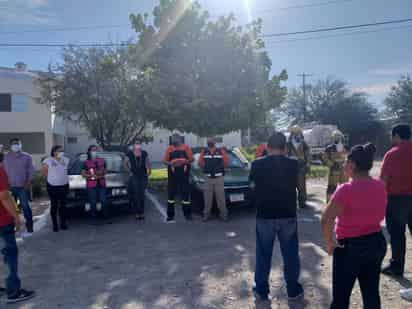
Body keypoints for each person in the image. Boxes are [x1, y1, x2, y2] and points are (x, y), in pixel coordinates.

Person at [321, 143, 387, 309]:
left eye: (345, 162)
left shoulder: (346, 189)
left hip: (350, 248)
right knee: (371, 293)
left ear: (352, 165)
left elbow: (326, 219)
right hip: (376, 242)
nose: (343, 165)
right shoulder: (380, 186)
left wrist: (329, 242)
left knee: (341, 298)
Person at [250, 132, 304, 303]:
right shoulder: (294, 164)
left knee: (263, 255)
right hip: (287, 214)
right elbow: (300, 188)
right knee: (290, 254)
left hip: (265, 215)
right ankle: (293, 291)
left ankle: (261, 291)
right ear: (285, 147)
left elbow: (251, 187)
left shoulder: (257, 164)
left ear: (267, 146)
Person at [0, 155, 35, 304]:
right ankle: (13, 292)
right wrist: (16, 216)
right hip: (2, 221)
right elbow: (4, 196)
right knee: (9, 256)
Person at [380, 124, 412, 277]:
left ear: (397, 135)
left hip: (396, 200)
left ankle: (397, 266)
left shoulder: (392, 154)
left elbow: (384, 180)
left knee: (397, 234)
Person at [3, 138, 34, 234]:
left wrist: (29, 182)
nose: (16, 145)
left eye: (17, 143)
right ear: (10, 145)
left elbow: (31, 170)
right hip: (9, 187)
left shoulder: (27, 157)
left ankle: (29, 227)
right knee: (10, 208)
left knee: (25, 207)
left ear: (21, 144)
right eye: (14, 144)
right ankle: (12, 227)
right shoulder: (5, 157)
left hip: (22, 187)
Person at [163, 134, 194, 223]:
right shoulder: (169, 148)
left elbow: (191, 159)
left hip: (184, 175)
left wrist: (184, 161)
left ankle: (187, 214)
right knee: (171, 196)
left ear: (179, 139)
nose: (173, 142)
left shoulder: (186, 147)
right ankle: (170, 216)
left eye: (174, 140)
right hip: (172, 175)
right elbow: (164, 161)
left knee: (185, 196)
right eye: (172, 140)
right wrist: (171, 163)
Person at [198, 137, 229, 222]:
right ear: (207, 142)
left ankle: (223, 215)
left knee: (221, 198)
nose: (210, 142)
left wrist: (219, 168)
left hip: (219, 178)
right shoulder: (204, 151)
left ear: (214, 142)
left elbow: (226, 162)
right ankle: (206, 215)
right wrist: (206, 168)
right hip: (207, 178)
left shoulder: (220, 151)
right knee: (207, 198)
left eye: (211, 140)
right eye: (208, 141)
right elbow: (200, 163)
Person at [41, 145, 70, 232]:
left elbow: (65, 171)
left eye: (62, 151)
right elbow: (44, 172)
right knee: (54, 205)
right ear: (54, 151)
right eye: (59, 150)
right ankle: (55, 225)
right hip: (52, 186)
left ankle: (63, 223)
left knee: (63, 206)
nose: (61, 152)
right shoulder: (48, 160)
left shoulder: (66, 160)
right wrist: (53, 179)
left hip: (64, 185)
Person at [124, 141, 151, 221]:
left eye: (139, 143)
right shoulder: (129, 153)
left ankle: (141, 212)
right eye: (136, 144)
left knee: (142, 194)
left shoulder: (144, 153)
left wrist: (149, 170)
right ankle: (137, 212)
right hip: (134, 176)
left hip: (143, 175)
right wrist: (129, 171)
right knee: (136, 194)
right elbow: (125, 163)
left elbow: (148, 161)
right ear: (134, 146)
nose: (138, 145)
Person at [81, 145, 109, 221]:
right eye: (93, 150)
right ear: (89, 152)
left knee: (104, 201)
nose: (94, 152)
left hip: (101, 184)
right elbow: (83, 174)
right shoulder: (86, 162)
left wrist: (101, 173)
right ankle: (93, 218)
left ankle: (105, 217)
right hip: (91, 185)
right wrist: (91, 176)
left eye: (96, 150)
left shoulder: (102, 160)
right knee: (92, 202)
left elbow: (106, 171)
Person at [287, 126, 310, 208]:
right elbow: (285, 155)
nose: (298, 135)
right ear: (292, 134)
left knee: (302, 186)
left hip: (301, 166)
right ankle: (291, 203)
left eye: (299, 133)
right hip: (291, 167)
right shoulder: (288, 144)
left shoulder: (304, 143)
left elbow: (307, 155)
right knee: (291, 185)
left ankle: (302, 203)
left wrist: (307, 164)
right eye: (295, 133)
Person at [323, 130, 349, 202]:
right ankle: (329, 201)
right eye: (335, 137)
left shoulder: (346, 147)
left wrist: (347, 166)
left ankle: (344, 201)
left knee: (344, 186)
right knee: (331, 187)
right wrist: (331, 164)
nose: (336, 139)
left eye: (338, 137)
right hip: (334, 170)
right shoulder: (329, 148)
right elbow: (324, 157)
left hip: (344, 170)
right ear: (333, 138)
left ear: (341, 137)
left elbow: (349, 158)